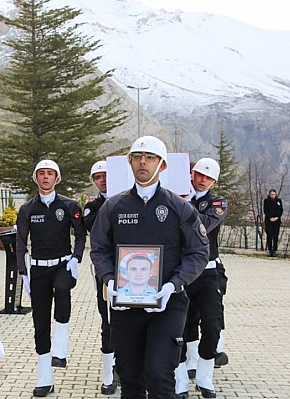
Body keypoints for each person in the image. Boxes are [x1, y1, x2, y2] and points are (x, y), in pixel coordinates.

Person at [91, 136, 209, 399]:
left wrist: (174, 284)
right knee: (130, 379)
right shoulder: (113, 206)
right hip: (124, 306)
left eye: (150, 158)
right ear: (129, 163)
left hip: (167, 305)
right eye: (137, 157)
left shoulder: (180, 208)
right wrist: (110, 281)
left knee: (158, 376)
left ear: (162, 166)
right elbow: (99, 248)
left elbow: (199, 251)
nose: (142, 162)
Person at [16, 159, 87, 397]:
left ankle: (61, 350)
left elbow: (80, 234)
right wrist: (23, 272)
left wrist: (76, 258)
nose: (45, 177)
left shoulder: (69, 205)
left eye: (50, 174)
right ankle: (45, 377)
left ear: (57, 179)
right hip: (38, 270)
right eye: (41, 173)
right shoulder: (27, 209)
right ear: (35, 178)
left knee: (63, 290)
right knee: (40, 323)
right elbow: (20, 243)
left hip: (63, 265)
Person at [175, 158, 226, 399]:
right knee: (179, 326)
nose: (202, 179)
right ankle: (180, 376)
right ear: (191, 174)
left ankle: (205, 376)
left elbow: (204, 224)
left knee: (212, 323)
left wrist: (183, 205)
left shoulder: (216, 203)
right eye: (198, 174)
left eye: (207, 177)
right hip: (182, 270)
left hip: (207, 272)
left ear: (213, 181)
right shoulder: (176, 196)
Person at [82, 160, 117, 395]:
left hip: (133, 269)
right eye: (98, 177)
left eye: (106, 175)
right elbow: (95, 229)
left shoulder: (127, 201)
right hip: (105, 271)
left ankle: (127, 367)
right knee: (107, 320)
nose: (102, 180)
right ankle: (108, 374)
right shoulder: (92, 207)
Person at [263, 189, 284, 257]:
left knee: (275, 235)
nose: (273, 196)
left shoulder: (278, 201)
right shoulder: (266, 201)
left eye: (274, 194)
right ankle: (269, 250)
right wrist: (270, 218)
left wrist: (277, 217)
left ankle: (275, 249)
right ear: (269, 194)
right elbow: (265, 210)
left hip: (277, 220)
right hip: (269, 220)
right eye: (271, 194)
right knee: (269, 235)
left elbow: (281, 210)